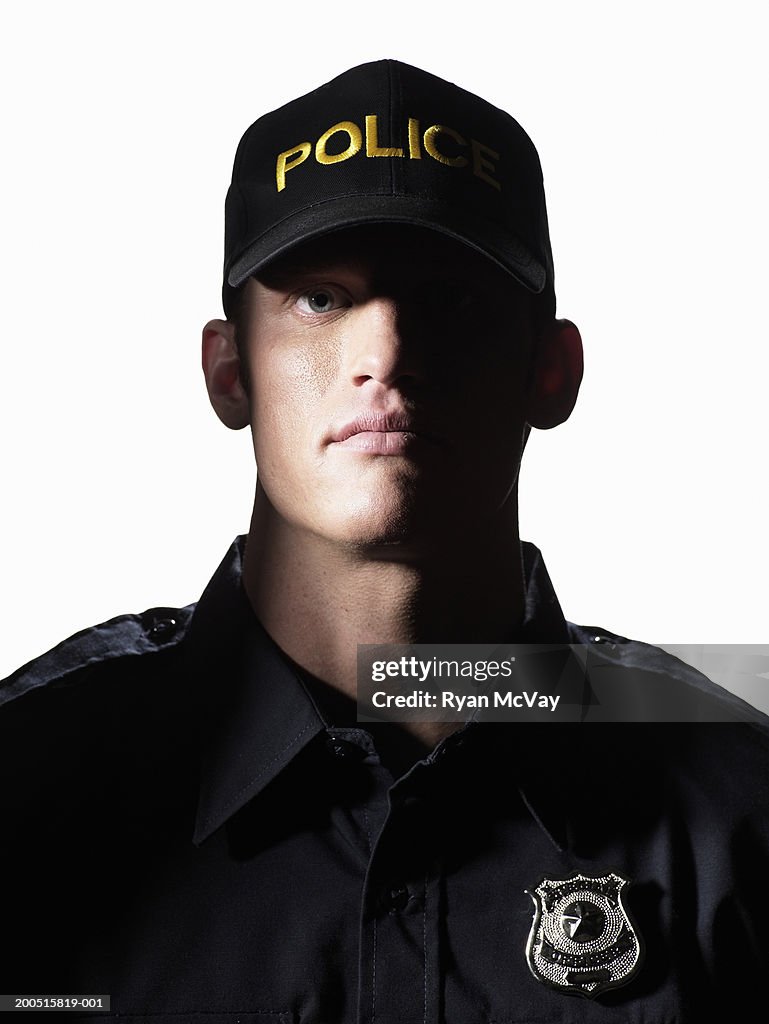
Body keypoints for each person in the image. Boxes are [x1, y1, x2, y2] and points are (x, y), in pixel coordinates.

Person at [1, 59, 767, 1022]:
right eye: (320, 299)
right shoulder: (30, 789)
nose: (384, 356)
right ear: (228, 371)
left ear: (552, 370)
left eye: (445, 300)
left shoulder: (737, 815)